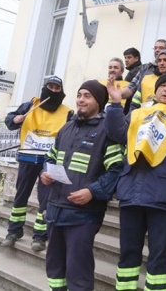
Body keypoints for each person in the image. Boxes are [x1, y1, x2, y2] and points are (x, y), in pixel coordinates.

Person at [105, 73, 166, 291]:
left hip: (164, 194)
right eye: (161, 86)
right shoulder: (137, 113)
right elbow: (117, 134)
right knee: (127, 254)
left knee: (159, 257)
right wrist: (116, 104)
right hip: (131, 192)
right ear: (154, 92)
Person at [40, 80, 123, 291]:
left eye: (87, 96)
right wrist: (45, 173)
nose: (81, 100)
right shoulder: (66, 128)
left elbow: (115, 170)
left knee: (78, 272)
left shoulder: (108, 131)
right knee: (55, 270)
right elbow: (49, 159)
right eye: (79, 95)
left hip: (84, 215)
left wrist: (92, 192)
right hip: (56, 209)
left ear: (99, 101)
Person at [1, 76, 73, 251]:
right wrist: (15, 119)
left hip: (49, 162)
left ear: (61, 91)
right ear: (44, 88)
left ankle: (40, 236)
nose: (54, 91)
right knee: (21, 196)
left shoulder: (68, 113)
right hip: (27, 159)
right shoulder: (30, 106)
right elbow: (9, 120)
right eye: (51, 87)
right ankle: (13, 231)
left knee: (45, 200)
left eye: (57, 88)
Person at [119, 39, 166, 103]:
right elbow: (132, 87)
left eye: (161, 48)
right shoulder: (144, 69)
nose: (157, 50)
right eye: (155, 48)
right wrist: (119, 93)